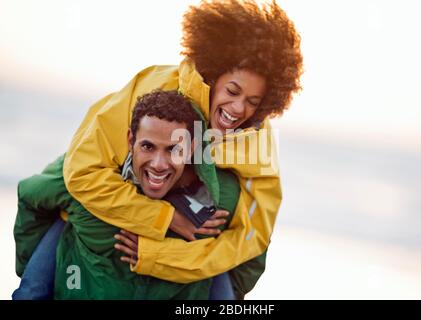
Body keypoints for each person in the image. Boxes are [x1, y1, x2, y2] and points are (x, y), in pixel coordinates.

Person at [61, 0, 303, 283]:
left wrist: (160, 256)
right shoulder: (156, 87)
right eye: (232, 91)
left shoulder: (257, 139)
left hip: (188, 253)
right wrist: (167, 218)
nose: (238, 109)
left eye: (252, 101)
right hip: (101, 190)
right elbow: (82, 172)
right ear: (213, 76)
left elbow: (253, 236)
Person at [14, 90, 265, 299]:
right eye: (147, 146)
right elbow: (30, 196)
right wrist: (33, 279)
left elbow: (251, 251)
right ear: (130, 140)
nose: (158, 163)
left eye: (173, 150)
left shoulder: (219, 200)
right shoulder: (84, 178)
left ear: (191, 149)